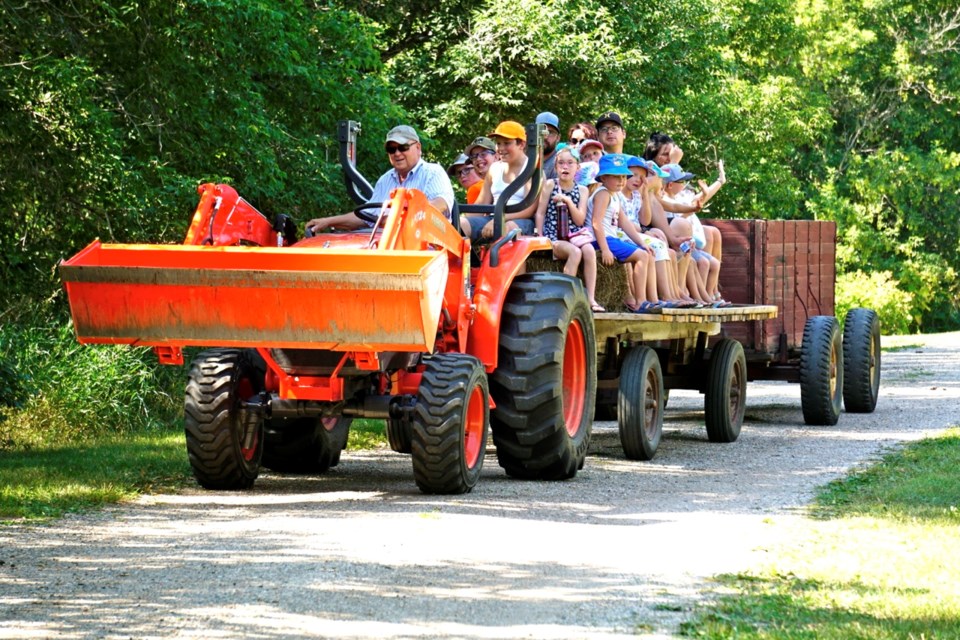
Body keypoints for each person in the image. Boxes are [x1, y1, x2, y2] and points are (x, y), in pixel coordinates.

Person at [306, 125, 454, 233]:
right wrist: (328, 222)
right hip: (386, 245)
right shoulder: (385, 180)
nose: (397, 153)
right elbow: (367, 217)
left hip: (427, 246)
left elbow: (441, 204)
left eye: (403, 147)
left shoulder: (433, 172)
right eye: (391, 149)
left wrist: (399, 218)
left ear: (418, 148)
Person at [585, 154, 660, 313]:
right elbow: (596, 222)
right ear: (604, 178)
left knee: (643, 252)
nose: (621, 180)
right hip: (600, 239)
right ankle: (640, 302)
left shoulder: (614, 196)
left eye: (623, 176)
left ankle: (640, 300)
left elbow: (625, 223)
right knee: (641, 256)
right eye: (616, 176)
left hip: (609, 238)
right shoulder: (603, 194)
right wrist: (605, 249)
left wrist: (641, 243)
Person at [534, 147, 602, 311]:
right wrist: (540, 236)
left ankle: (591, 298)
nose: (565, 167)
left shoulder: (582, 190)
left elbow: (579, 220)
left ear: (578, 167)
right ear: (556, 167)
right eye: (561, 163)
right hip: (555, 235)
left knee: (589, 251)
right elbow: (540, 213)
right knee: (575, 252)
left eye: (570, 163)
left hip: (575, 233)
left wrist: (568, 201)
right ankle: (564, 298)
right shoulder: (550, 185)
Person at [462, 121, 536, 241]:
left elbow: (528, 210)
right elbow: (481, 204)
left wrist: (499, 220)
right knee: (460, 224)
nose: (501, 148)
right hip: (494, 218)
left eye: (506, 143)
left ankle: (499, 259)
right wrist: (456, 220)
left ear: (521, 144)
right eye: (498, 143)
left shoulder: (532, 170)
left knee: (507, 228)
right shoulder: (495, 169)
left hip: (521, 221)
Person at [463, 136, 498, 205]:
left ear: (496, 157)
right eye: (474, 156)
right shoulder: (487, 186)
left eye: (483, 154)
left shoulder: (506, 179)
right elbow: (474, 214)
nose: (478, 159)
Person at [536, 111, 562, 181]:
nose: (545, 136)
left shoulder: (560, 163)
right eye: (541, 130)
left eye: (550, 132)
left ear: (558, 138)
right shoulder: (525, 159)